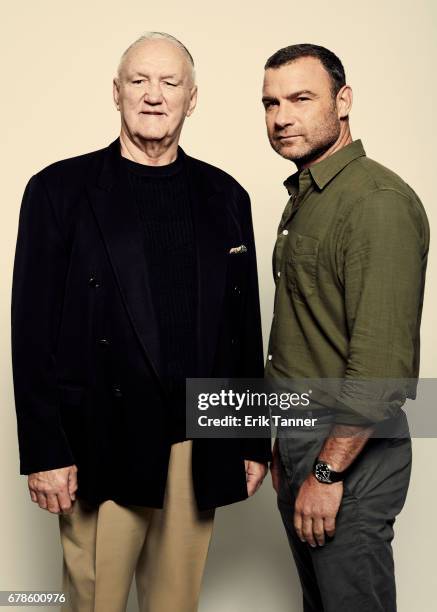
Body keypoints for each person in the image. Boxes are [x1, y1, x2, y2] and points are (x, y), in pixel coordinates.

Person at [11, 32, 270, 612]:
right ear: (117, 92)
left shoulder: (226, 195)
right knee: (94, 602)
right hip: (101, 437)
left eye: (170, 83)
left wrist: (251, 438)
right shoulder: (59, 190)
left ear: (192, 98)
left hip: (197, 443)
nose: (154, 96)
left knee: (176, 605)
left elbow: (241, 329)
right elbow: (30, 332)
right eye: (139, 81)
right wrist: (46, 451)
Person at [262, 43, 429, 612]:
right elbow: (305, 338)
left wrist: (327, 473)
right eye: (270, 103)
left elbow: (380, 370)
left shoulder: (376, 202)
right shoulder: (306, 199)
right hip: (306, 443)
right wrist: (284, 446)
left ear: (343, 101)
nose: (282, 117)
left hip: (350, 457)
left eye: (301, 98)